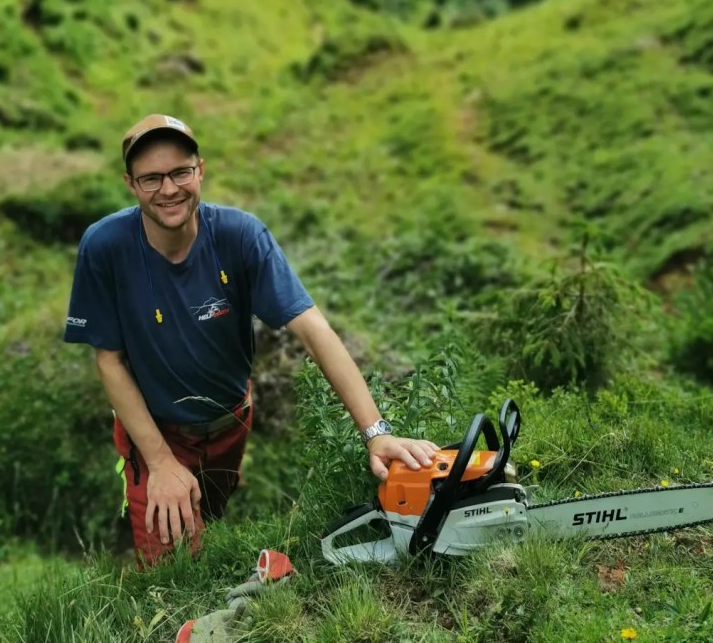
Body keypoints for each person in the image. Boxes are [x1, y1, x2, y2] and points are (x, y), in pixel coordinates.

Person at [64, 113, 438, 565]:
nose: (169, 189)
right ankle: (141, 538)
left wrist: (377, 434)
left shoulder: (239, 236)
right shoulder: (106, 246)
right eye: (151, 178)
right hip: (155, 432)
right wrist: (161, 462)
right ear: (130, 184)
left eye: (180, 172)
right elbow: (109, 360)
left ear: (200, 170)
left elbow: (313, 328)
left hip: (230, 423)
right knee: (173, 566)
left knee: (209, 523)